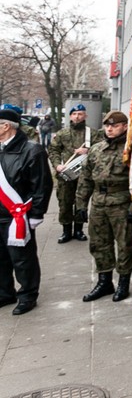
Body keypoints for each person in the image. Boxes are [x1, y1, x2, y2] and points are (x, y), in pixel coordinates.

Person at [76, 111, 132, 302]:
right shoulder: (96, 149)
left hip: (121, 203)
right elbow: (85, 178)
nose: (109, 129)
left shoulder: (131, 150)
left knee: (124, 245)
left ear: (125, 127)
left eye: (115, 125)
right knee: (99, 243)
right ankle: (104, 281)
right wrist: (81, 204)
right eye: (107, 125)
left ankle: (124, 282)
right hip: (99, 203)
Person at [0, 107, 53, 315]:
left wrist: (36, 214)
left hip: (18, 216)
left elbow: (41, 185)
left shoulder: (32, 150)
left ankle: (28, 295)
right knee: (1, 258)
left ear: (5, 126)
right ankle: (5, 293)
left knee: (23, 259)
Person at [48, 104, 102, 243]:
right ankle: (66, 231)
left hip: (84, 175)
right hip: (66, 174)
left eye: (80, 114)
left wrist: (88, 151)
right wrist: (57, 165)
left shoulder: (93, 133)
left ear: (85, 116)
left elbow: (102, 150)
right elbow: (53, 150)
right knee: (65, 202)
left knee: (81, 202)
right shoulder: (62, 133)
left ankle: (78, 230)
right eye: (74, 114)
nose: (77, 116)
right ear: (70, 116)